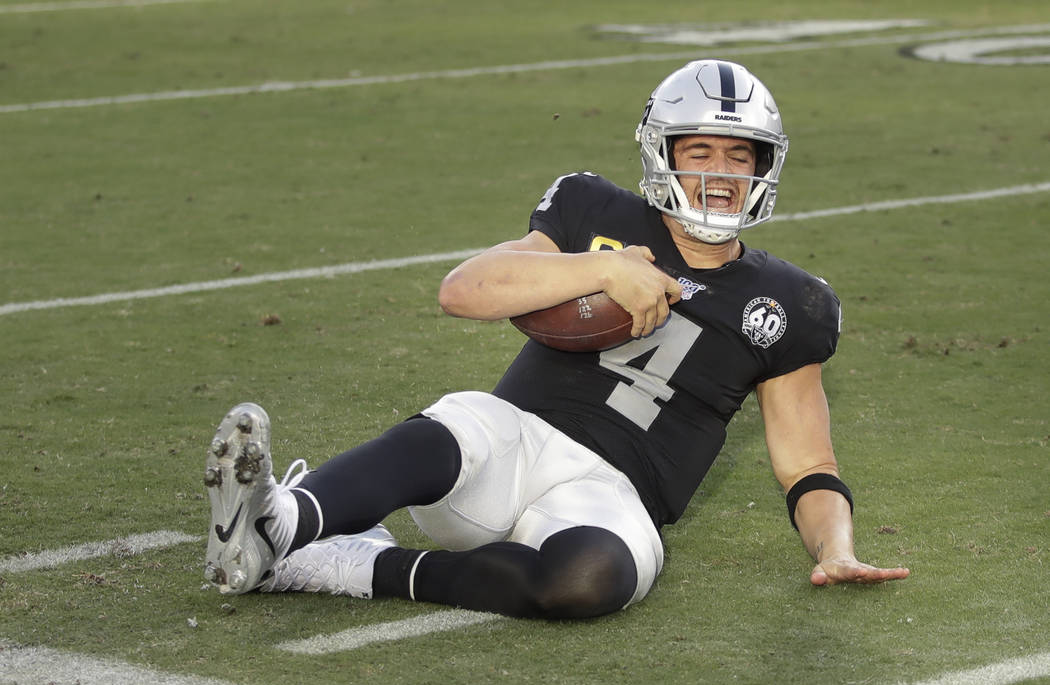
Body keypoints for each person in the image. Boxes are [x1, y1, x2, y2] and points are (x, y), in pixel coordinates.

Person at [203, 59, 909, 619]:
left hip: (617, 496)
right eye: (698, 151)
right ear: (661, 153)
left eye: (738, 155)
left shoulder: (792, 301)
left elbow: (807, 462)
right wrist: (600, 265)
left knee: (588, 581)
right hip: (515, 444)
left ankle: (344, 565)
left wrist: (836, 548)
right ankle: (279, 520)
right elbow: (464, 290)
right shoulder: (592, 211)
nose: (717, 174)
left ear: (763, 166)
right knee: (458, 426)